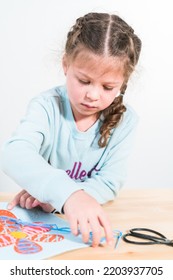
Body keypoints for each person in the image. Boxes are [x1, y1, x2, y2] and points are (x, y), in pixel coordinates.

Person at [0, 12, 142, 247]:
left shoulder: (126, 121)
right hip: (41, 226)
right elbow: (13, 154)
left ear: (123, 82)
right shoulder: (46, 107)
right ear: (66, 64)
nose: (93, 95)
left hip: (77, 222)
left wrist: (57, 200)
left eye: (108, 87)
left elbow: (109, 182)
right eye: (84, 81)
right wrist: (67, 195)